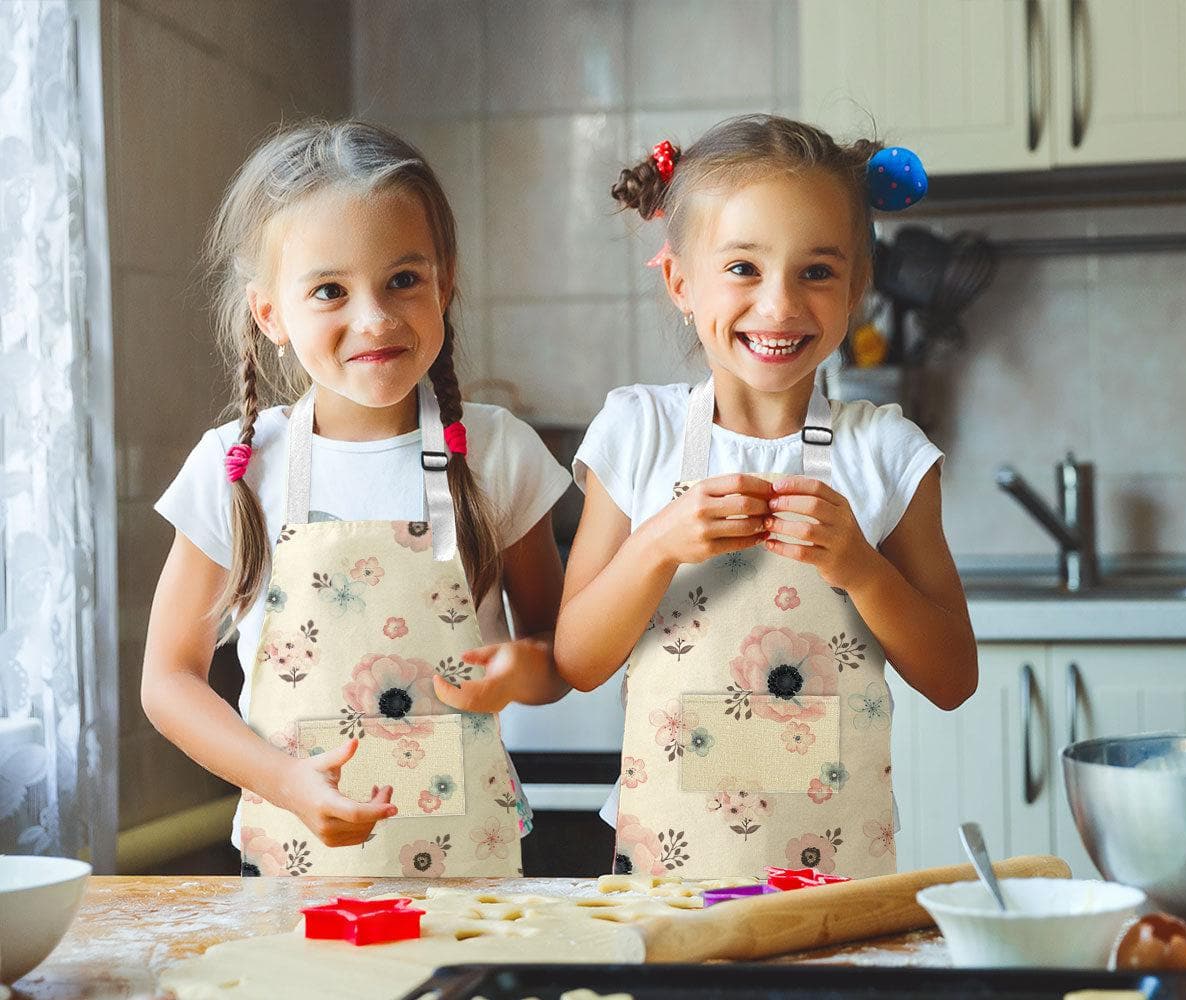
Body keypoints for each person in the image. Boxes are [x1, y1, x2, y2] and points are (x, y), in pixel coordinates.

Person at [142, 120, 572, 877]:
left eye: (403, 280)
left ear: (447, 280)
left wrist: (521, 668)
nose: (373, 318)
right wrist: (284, 781)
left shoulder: (500, 452)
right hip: (289, 874)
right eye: (330, 291)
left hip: (475, 878)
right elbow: (169, 680)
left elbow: (556, 652)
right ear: (270, 313)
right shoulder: (238, 469)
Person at [555, 115, 978, 879]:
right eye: (743, 269)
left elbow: (952, 680)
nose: (780, 306)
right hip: (669, 883)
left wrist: (860, 568)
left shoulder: (885, 452)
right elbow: (578, 659)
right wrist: (657, 544)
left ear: (857, 289)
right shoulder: (637, 431)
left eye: (817, 272)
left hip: (838, 883)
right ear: (681, 282)